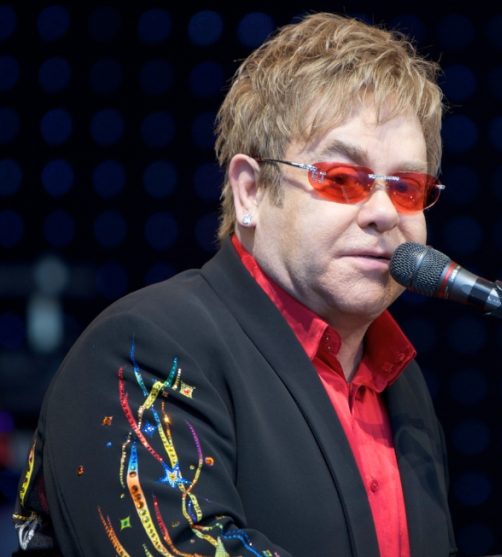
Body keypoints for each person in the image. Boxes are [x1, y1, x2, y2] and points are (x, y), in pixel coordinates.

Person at [12, 12, 456, 557]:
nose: (384, 212)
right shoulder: (141, 352)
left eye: (406, 187)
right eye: (342, 179)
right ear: (249, 192)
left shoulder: (403, 389)